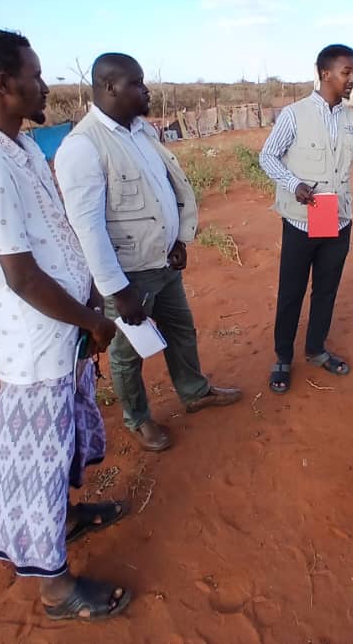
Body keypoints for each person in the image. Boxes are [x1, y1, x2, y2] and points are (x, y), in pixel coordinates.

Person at [0, 29, 131, 622]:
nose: (44, 84)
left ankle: (66, 517)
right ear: (4, 84)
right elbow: (22, 277)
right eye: (34, 74)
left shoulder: (19, 148)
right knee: (35, 463)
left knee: (54, 453)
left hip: (59, 335)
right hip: (32, 346)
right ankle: (55, 592)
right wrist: (92, 321)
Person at [54, 53, 242, 453]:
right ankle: (137, 419)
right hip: (128, 276)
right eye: (137, 83)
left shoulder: (141, 132)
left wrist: (179, 240)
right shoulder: (83, 147)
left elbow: (166, 191)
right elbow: (87, 229)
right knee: (126, 354)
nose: (146, 90)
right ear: (108, 87)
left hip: (163, 264)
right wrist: (117, 291)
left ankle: (194, 392)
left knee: (181, 331)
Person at [259, 44, 353, 393]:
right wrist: (293, 184)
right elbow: (268, 157)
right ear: (324, 72)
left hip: (337, 219)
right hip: (301, 219)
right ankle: (282, 357)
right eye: (346, 72)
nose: (352, 79)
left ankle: (315, 349)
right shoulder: (295, 114)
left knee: (326, 290)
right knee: (291, 292)